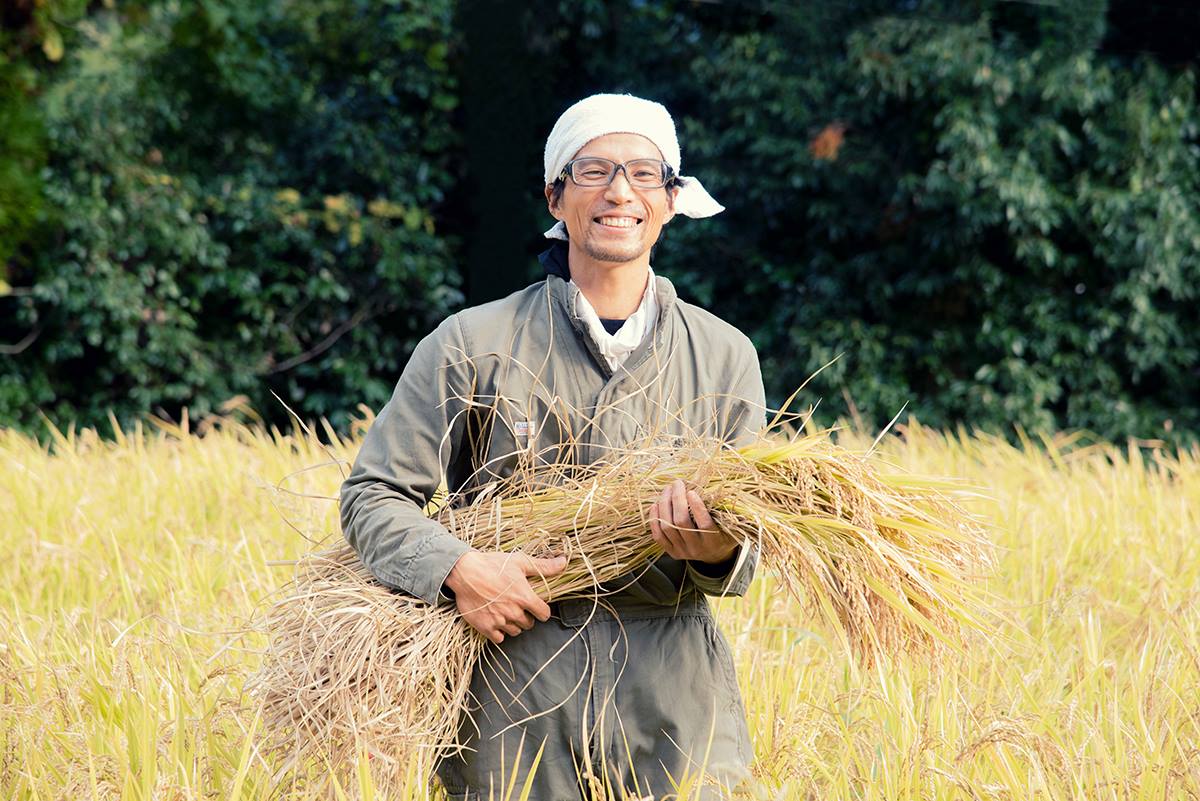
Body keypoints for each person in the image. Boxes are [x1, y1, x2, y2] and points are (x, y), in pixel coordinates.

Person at [339, 93, 767, 801]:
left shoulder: (724, 355)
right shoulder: (471, 343)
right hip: (514, 695)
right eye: (594, 170)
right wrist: (458, 569)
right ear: (556, 195)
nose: (619, 191)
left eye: (643, 173)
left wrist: (717, 547)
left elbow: (752, 539)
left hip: (677, 704)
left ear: (670, 199)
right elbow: (373, 495)